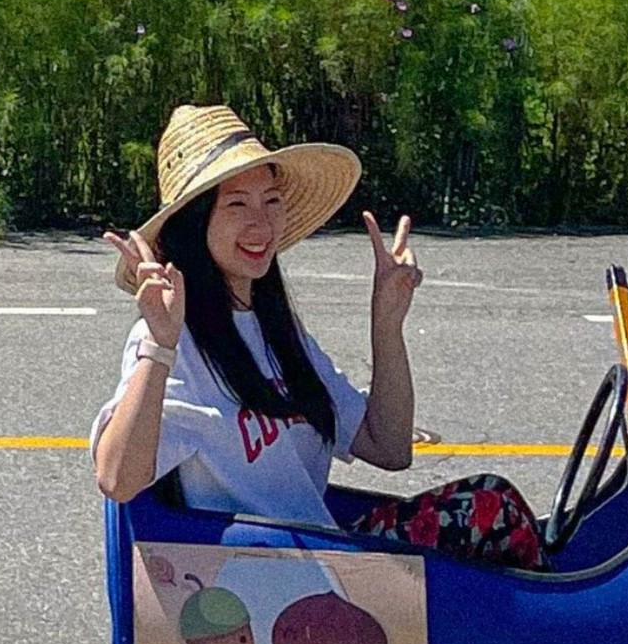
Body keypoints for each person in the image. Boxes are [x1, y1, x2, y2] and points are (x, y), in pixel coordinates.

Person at [91, 103, 550, 568]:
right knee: (494, 510)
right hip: (260, 579)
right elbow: (116, 479)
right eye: (237, 204)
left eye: (271, 201)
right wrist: (159, 345)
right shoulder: (173, 341)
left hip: (322, 558)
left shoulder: (278, 333)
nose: (261, 223)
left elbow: (389, 448)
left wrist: (386, 325)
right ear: (195, 223)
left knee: (494, 503)